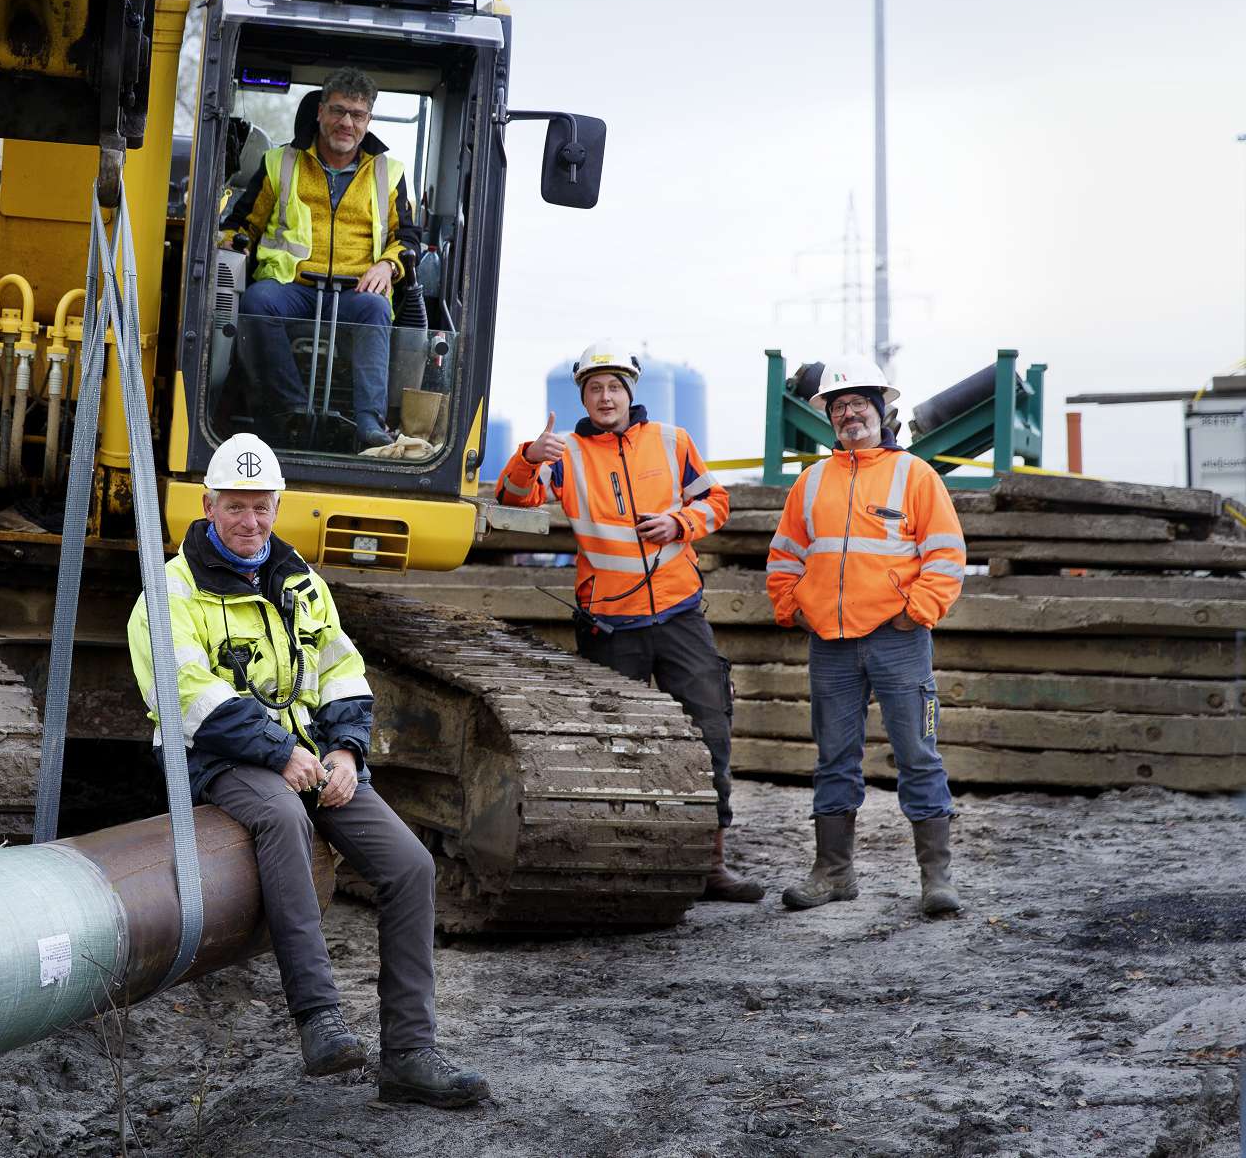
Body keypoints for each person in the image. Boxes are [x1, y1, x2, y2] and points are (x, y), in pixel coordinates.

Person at [127, 432, 489, 1108]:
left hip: (307, 753)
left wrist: (346, 748)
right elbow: (185, 694)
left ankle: (409, 1052)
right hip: (219, 755)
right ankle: (319, 1018)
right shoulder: (169, 590)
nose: (251, 522)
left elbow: (341, 668)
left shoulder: (300, 580)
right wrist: (278, 751)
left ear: (276, 505)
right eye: (235, 507)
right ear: (207, 505)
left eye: (262, 507)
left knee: (411, 865)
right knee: (282, 815)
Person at [494, 342, 763, 902]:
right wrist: (527, 457)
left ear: (630, 392)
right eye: (595, 388)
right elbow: (516, 502)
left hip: (678, 613)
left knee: (709, 730)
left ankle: (710, 863)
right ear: (584, 397)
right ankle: (617, 855)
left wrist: (679, 522)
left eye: (614, 386)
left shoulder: (671, 440)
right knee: (611, 744)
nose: (605, 396)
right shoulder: (563, 453)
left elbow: (715, 501)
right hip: (611, 624)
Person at [765, 357, 968, 918]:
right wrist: (793, 608)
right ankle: (833, 872)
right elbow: (784, 556)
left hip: (897, 642)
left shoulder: (915, 476)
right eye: (838, 406)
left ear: (881, 411)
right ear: (828, 417)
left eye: (858, 404)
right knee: (834, 759)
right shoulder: (811, 482)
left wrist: (914, 613)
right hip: (830, 644)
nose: (849, 414)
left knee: (918, 756)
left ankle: (936, 878)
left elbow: (947, 556)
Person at [222, 66, 416, 451]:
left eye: (357, 115)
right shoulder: (281, 163)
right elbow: (244, 224)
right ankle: (289, 411)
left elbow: (406, 239)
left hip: (356, 294)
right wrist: (229, 243)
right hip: (293, 288)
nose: (347, 122)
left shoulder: (388, 173)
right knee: (259, 301)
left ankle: (369, 426)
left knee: (378, 310)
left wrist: (387, 264)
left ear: (368, 120)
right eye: (338, 111)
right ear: (320, 112)